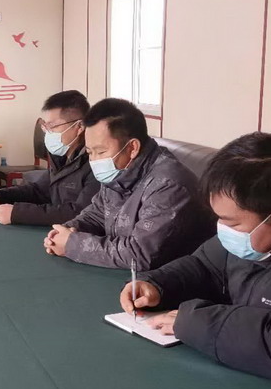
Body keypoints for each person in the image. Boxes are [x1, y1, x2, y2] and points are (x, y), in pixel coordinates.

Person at [120, 132, 271, 389]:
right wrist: (158, 284)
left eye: (231, 222)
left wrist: (201, 324)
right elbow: (206, 265)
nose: (222, 229)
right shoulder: (262, 220)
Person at [44, 98, 213, 270]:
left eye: (101, 152)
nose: (94, 160)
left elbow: (140, 254)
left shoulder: (169, 185)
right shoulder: (119, 170)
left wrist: (72, 244)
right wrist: (67, 230)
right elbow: (97, 214)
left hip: (164, 280)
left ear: (132, 148)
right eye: (89, 152)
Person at [0, 90, 99, 226]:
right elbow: (39, 190)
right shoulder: (61, 157)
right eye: (46, 126)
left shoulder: (96, 163)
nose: (48, 133)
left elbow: (80, 213)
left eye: (53, 126)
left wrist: (17, 213)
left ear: (80, 126)